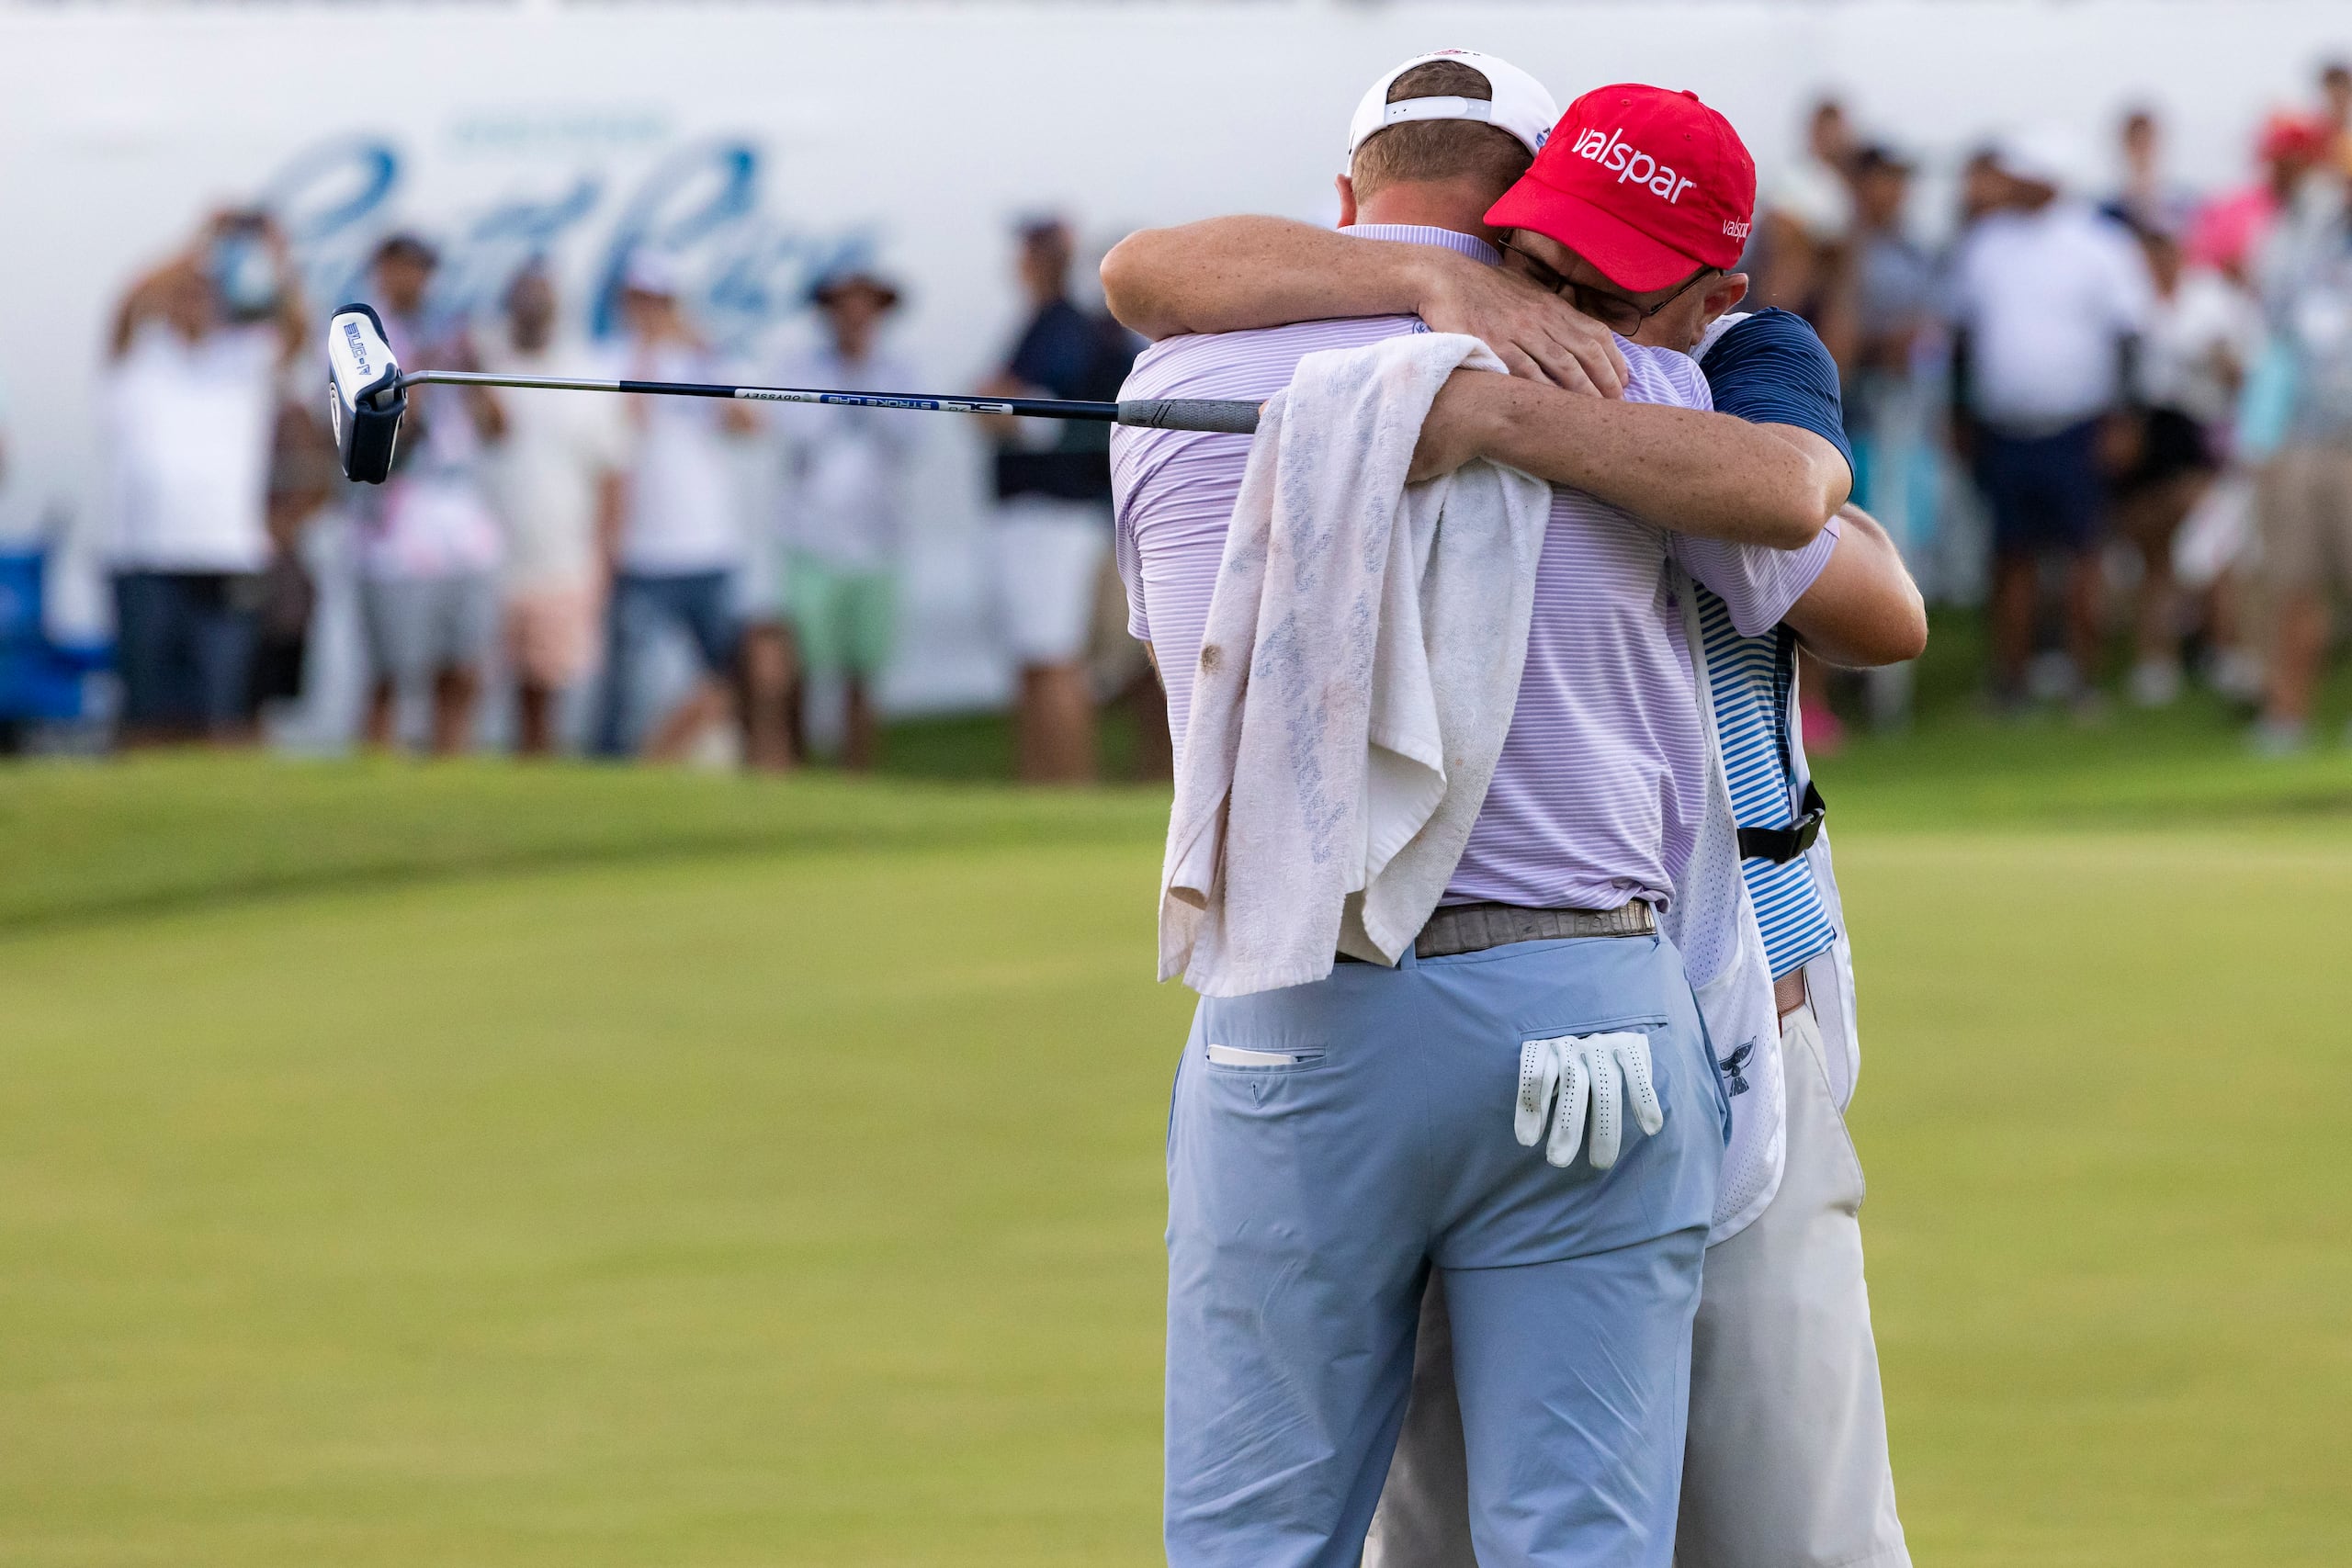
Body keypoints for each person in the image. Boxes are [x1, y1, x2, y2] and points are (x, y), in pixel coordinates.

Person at [1109, 64, 1926, 1568]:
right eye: (1535, 260)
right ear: (1505, 217)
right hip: (1606, 1006)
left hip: (1325, 1012)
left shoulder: (1180, 384)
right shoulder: (1654, 394)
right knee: (1566, 1534)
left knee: (1262, 1538)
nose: (1555, 298)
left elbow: (1847, 556)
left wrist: (1480, 411)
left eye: (1599, 282)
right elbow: (1143, 270)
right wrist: (1455, 342)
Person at [1948, 130, 2154, 712]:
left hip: (2079, 424)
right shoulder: (1985, 243)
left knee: (2083, 554)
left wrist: (2126, 419)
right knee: (2010, 556)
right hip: (2004, 425)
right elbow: (1963, 338)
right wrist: (1959, 413)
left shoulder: (2101, 244)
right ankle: (2009, 684)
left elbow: (2128, 339)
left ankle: (2083, 683)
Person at [99, 209, 308, 746]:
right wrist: (199, 242)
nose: (193, 303)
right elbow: (126, 302)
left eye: (204, 294)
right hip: (145, 556)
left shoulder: (244, 358)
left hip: (228, 552)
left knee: (226, 706)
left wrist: (267, 258)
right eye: (184, 294)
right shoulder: (139, 360)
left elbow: (299, 326)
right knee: (147, 709)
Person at [978, 219, 1139, 784]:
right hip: (1053, 513)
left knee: (1053, 660)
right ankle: (1041, 790)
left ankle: (1068, 791)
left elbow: (1026, 411)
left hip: (1054, 512)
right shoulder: (1060, 324)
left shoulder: (1062, 325)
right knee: (1039, 658)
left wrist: (991, 401)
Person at [592, 253, 758, 762]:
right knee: (624, 694)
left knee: (732, 680)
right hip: (642, 551)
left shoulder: (706, 360)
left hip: (708, 546)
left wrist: (704, 354)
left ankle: (674, 754)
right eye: (640, 301)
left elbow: (747, 425)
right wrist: (648, 350)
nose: (650, 312)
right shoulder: (610, 359)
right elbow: (627, 422)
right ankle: (617, 773)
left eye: (659, 302)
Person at [354, 232, 507, 755]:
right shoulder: (362, 342)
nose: (412, 281)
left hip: (459, 511)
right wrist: (414, 381)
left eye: (421, 269)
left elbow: (498, 429)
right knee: (393, 669)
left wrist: (472, 372)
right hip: (400, 512)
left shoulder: (451, 332)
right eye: (401, 268)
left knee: (462, 666)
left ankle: (446, 770)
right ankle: (375, 774)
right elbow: (376, 442)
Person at [767, 270, 915, 772]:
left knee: (862, 671)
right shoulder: (802, 369)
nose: (854, 319)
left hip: (876, 542)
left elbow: (910, 440)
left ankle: (858, 774)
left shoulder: (898, 373)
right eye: (843, 308)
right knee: (802, 669)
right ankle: (802, 770)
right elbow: (796, 432)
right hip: (812, 539)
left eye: (864, 308)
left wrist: (865, 386)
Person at [480, 263, 627, 757]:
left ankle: (536, 781)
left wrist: (605, 555)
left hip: (563, 557)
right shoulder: (480, 364)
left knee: (548, 689)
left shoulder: (585, 373)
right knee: (473, 683)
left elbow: (611, 475)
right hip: (488, 557)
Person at [2111, 221, 2256, 708]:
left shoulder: (2210, 301)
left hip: (2198, 436)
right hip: (2149, 438)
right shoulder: (2128, 302)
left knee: (2211, 550)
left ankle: (2223, 649)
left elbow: (2239, 369)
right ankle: (2157, 660)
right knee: (2154, 557)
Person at [2247, 151, 2352, 751]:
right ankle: (2286, 716)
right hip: (2300, 441)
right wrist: (2260, 436)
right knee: (2292, 584)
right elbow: (2277, 340)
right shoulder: (2303, 243)